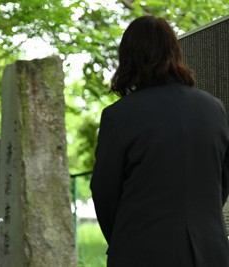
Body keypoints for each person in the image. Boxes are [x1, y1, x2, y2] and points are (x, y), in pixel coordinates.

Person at [90, 15, 229, 267]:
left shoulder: (119, 116)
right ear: (175, 52)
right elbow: (222, 181)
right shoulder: (215, 109)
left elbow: (104, 193)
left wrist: (126, 238)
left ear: (128, 59)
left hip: (142, 252)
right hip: (211, 252)